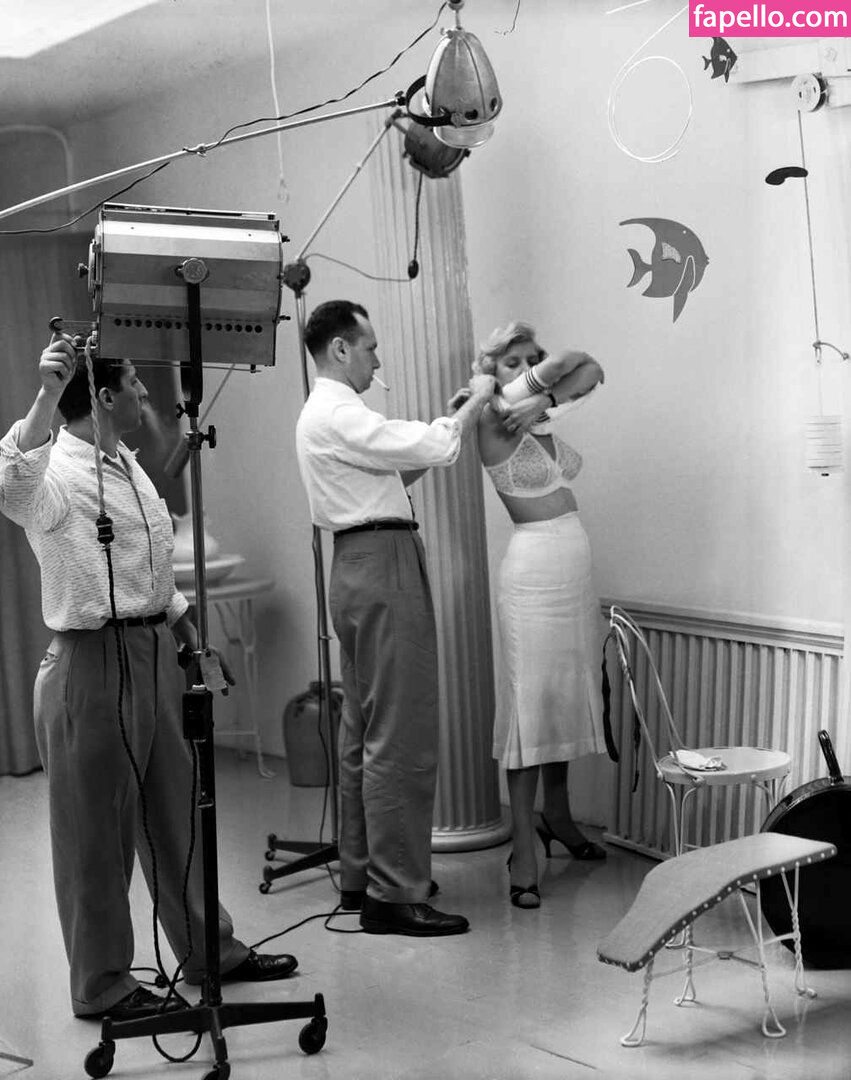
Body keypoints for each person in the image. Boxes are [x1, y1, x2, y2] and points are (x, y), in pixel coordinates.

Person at [0, 332, 300, 1020]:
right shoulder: (54, 475)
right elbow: (9, 481)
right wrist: (47, 392)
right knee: (96, 836)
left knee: (177, 814)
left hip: (154, 651)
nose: (143, 393)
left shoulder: (127, 464)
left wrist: (188, 634)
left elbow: (149, 565)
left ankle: (209, 951)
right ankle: (103, 984)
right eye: (134, 383)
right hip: (89, 664)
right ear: (103, 397)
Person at [295, 300, 496, 936]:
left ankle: (363, 876)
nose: (377, 360)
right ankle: (395, 890)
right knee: (400, 732)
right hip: (382, 566)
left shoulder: (327, 416)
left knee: (363, 729)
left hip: (356, 565)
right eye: (370, 347)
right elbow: (433, 443)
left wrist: (454, 423)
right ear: (340, 349)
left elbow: (402, 464)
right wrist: (475, 402)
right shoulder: (338, 411)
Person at [472, 320, 608, 909]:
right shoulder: (491, 415)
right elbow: (569, 359)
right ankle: (523, 846)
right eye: (513, 361)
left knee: (559, 699)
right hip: (530, 576)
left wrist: (544, 399)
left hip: (573, 572)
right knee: (529, 706)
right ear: (491, 372)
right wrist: (536, 386)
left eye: (531, 358)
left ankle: (559, 814)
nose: (526, 368)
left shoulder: (540, 416)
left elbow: (591, 367)